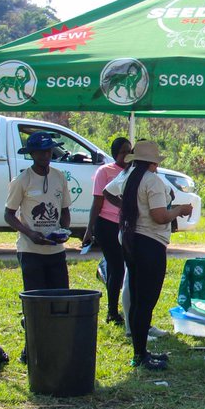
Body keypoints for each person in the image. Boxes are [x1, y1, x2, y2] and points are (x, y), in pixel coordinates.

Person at [106, 140, 193, 370]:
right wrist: (180, 210)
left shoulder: (129, 179)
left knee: (137, 299)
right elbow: (160, 216)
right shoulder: (152, 181)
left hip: (132, 240)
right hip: (150, 244)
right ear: (153, 162)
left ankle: (140, 351)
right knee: (146, 301)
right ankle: (140, 354)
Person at [4, 131, 71, 293]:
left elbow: (65, 210)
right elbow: (8, 215)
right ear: (32, 154)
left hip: (56, 250)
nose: (46, 155)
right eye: (41, 152)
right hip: (30, 250)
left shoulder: (59, 176)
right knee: (37, 298)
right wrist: (30, 234)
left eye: (48, 151)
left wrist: (64, 231)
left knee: (61, 296)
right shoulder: (22, 180)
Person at [83, 136, 131, 325]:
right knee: (117, 267)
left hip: (125, 225)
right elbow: (98, 201)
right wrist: (89, 229)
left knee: (120, 268)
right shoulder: (105, 171)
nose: (127, 155)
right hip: (107, 224)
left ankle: (116, 307)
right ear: (115, 154)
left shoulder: (133, 171)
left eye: (129, 151)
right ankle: (112, 311)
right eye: (123, 152)